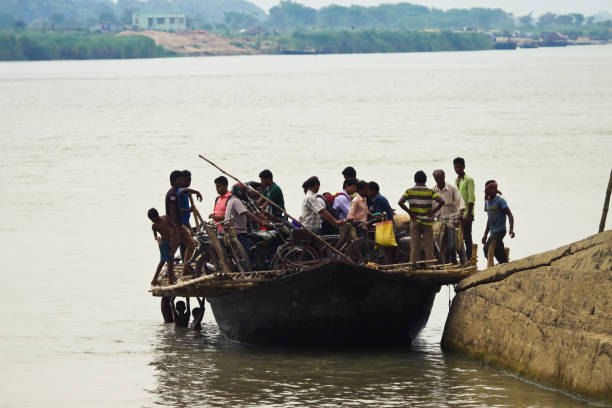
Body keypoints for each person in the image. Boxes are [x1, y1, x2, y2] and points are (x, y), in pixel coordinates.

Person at [398, 171, 445, 265]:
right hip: (427, 222)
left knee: (415, 245)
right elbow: (442, 201)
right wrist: (433, 211)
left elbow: (400, 202)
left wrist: (410, 212)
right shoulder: (429, 191)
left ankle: (414, 265)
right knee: (428, 245)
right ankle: (430, 265)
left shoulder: (410, 191)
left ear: (415, 180)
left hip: (415, 221)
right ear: (425, 180)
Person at [225, 183, 269, 260]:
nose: (246, 194)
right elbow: (246, 213)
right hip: (238, 233)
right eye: (245, 192)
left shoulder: (231, 199)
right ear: (240, 192)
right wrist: (260, 222)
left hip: (236, 232)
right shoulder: (236, 201)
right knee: (248, 254)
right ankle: (248, 269)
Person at [164, 170, 196, 275]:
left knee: (191, 245)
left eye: (183, 180)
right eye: (180, 180)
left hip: (180, 226)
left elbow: (178, 210)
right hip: (175, 227)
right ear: (173, 181)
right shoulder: (173, 194)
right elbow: (173, 213)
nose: (182, 182)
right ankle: (169, 273)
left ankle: (186, 268)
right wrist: (177, 229)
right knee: (172, 250)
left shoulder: (175, 192)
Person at [432, 169, 465, 264]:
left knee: (454, 245)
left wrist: (461, 213)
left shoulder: (452, 188)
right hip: (439, 221)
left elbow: (461, 201)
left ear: (444, 177)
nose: (439, 180)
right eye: (436, 178)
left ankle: (463, 263)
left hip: (452, 220)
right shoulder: (433, 191)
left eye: (440, 178)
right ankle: (444, 264)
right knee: (438, 245)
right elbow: (430, 207)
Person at [482, 180, 515, 264]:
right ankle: (504, 263)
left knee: (487, 249)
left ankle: (495, 265)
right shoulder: (487, 203)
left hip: (500, 231)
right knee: (499, 251)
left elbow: (510, 215)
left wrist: (511, 229)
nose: (492, 191)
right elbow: (489, 219)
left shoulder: (500, 201)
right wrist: (485, 234)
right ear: (486, 191)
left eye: (494, 189)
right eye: (490, 189)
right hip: (493, 232)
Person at [177, 170, 202, 260]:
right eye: (186, 180)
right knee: (185, 245)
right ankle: (186, 264)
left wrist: (190, 226)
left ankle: (187, 262)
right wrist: (196, 192)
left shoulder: (186, 193)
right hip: (180, 224)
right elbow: (178, 209)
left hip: (185, 222)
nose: (188, 183)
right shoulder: (179, 191)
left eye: (189, 180)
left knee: (187, 245)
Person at [454, 157, 476, 260]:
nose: (457, 169)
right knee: (459, 237)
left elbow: (471, 198)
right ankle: (463, 258)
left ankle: (469, 258)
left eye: (459, 167)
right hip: (459, 213)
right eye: (455, 167)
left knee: (467, 236)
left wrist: (470, 214)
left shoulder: (468, 180)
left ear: (463, 167)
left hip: (467, 212)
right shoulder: (456, 180)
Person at [148, 207, 177, 285]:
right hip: (163, 244)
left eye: (152, 219)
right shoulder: (154, 226)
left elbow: (173, 225)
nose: (152, 221)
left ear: (156, 215)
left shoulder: (165, 217)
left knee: (165, 261)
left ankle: (155, 279)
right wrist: (158, 239)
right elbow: (155, 236)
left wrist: (175, 234)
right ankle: (171, 280)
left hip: (169, 242)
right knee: (169, 261)